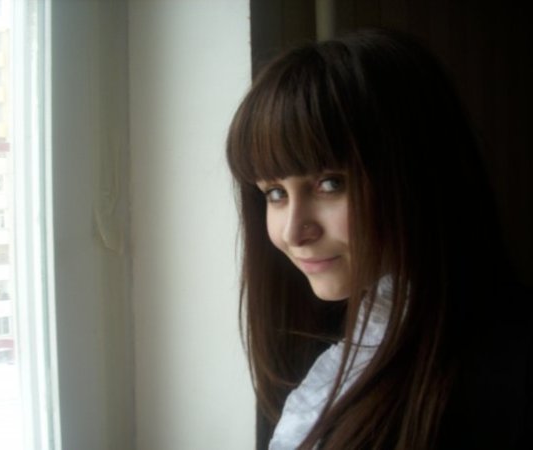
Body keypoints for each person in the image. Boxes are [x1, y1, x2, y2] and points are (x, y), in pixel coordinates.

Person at [226, 29, 532, 449]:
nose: (294, 232)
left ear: (418, 175)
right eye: (275, 193)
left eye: (330, 184)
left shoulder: (508, 370)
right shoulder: (318, 339)